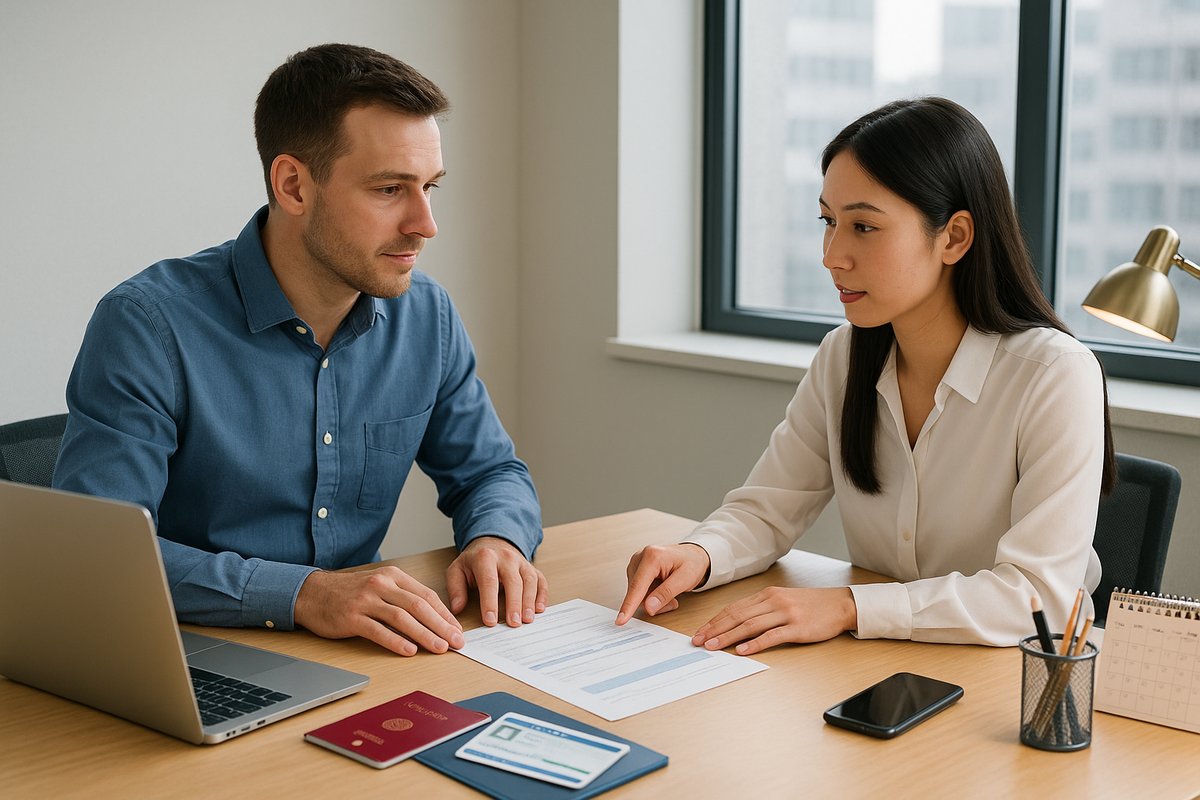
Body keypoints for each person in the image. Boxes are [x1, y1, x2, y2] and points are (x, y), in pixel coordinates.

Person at [53, 43, 547, 657]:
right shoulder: (148, 325)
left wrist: (497, 538)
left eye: (431, 187)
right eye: (390, 189)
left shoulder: (427, 316)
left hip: (357, 655)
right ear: (292, 185)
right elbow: (100, 557)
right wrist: (304, 594)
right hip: (181, 656)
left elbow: (490, 473)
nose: (425, 223)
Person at [617, 96, 1115, 652]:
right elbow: (766, 509)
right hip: (881, 660)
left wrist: (848, 605)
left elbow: (1038, 596)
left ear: (954, 237)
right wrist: (700, 554)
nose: (833, 255)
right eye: (828, 222)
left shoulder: (1054, 375)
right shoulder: (844, 356)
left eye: (863, 226)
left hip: (1014, 680)